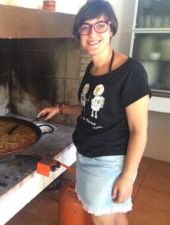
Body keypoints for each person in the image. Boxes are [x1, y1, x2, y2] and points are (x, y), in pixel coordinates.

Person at [37, 1, 151, 225]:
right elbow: (92, 107)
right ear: (78, 33)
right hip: (88, 155)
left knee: (102, 220)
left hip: (109, 161)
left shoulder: (131, 72)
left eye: (100, 25)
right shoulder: (92, 69)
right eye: (85, 27)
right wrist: (60, 109)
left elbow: (139, 131)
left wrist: (127, 177)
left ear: (111, 28)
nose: (92, 34)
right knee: (116, 215)